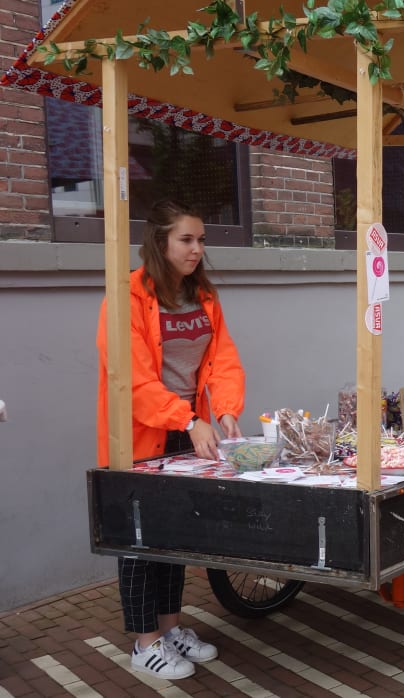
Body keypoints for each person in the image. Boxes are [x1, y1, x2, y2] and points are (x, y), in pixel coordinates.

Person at [95, 200, 246, 680]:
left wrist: (224, 409)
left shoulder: (202, 295)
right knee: (141, 540)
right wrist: (186, 418)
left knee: (176, 537)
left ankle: (170, 628)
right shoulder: (127, 296)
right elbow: (131, 378)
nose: (197, 249)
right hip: (141, 436)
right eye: (186, 239)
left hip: (189, 431)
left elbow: (222, 360)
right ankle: (144, 644)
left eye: (201, 240)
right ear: (160, 243)